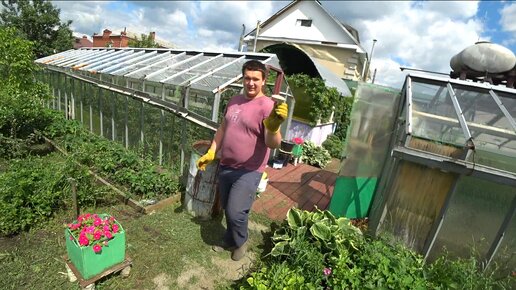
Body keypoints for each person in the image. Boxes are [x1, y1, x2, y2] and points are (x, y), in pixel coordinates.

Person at [196, 60, 288, 261]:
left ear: (264, 81)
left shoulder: (268, 106)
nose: (251, 83)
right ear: (243, 79)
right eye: (247, 78)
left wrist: (273, 128)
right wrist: (212, 151)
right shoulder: (234, 101)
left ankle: (241, 241)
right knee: (229, 207)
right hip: (226, 165)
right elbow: (222, 128)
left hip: (250, 170)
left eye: (256, 79)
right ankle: (230, 239)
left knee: (236, 210)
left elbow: (273, 144)